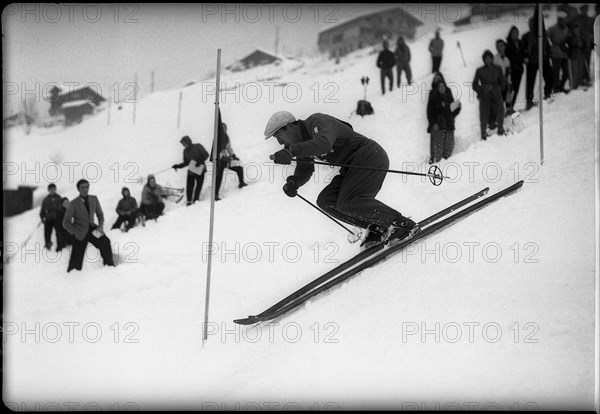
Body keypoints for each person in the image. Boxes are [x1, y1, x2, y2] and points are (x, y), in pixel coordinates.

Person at [263, 110, 418, 249]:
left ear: (289, 126)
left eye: (278, 136)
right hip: (352, 168)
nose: (280, 142)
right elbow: (305, 168)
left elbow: (324, 144)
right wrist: (294, 182)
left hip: (369, 157)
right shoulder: (302, 144)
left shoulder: (316, 121)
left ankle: (401, 224)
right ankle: (377, 227)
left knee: (348, 201)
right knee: (326, 201)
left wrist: (291, 151)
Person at [62, 179, 115, 272]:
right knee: (76, 260)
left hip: (92, 229)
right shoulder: (73, 203)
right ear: (78, 189)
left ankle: (110, 267)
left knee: (105, 242)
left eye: (87, 187)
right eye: (82, 187)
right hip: (80, 232)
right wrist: (74, 232)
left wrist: (100, 227)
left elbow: (100, 215)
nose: (85, 189)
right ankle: (72, 277)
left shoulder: (94, 199)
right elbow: (66, 223)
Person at [473, 50, 507, 140]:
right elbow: (474, 84)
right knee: (484, 113)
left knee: (500, 109)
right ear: (484, 59)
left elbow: (503, 81)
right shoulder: (479, 70)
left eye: (490, 58)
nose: (488, 60)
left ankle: (500, 128)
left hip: (496, 91)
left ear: (492, 58)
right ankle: (483, 133)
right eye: (486, 58)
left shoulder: (498, 68)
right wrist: (483, 89)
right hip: (485, 93)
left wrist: (499, 88)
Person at [522, 16, 553, 110]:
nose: (532, 25)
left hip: (544, 60)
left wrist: (548, 56)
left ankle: (547, 94)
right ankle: (529, 101)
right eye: (530, 23)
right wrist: (525, 58)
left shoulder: (542, 35)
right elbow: (522, 50)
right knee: (530, 82)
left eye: (534, 23)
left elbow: (547, 46)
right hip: (532, 62)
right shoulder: (526, 36)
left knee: (549, 77)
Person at [427, 76, 461, 163]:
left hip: (449, 123)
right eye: (439, 86)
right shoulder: (433, 95)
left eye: (443, 86)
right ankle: (437, 163)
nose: (442, 88)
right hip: (438, 124)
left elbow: (452, 111)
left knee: (449, 145)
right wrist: (433, 123)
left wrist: (457, 108)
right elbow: (430, 112)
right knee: (438, 147)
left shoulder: (448, 94)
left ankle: (446, 162)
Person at [214, 119, 248, 200]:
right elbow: (215, 151)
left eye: (224, 129)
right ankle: (215, 195)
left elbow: (229, 148)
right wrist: (222, 157)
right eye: (222, 129)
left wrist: (233, 155)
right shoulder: (217, 139)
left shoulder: (226, 137)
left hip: (226, 160)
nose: (223, 130)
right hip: (219, 161)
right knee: (218, 178)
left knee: (239, 167)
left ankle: (241, 183)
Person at [172, 135, 209, 205]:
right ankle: (189, 201)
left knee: (199, 185)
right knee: (189, 185)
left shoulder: (198, 146)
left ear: (188, 142)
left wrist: (199, 161)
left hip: (200, 169)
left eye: (184, 143)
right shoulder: (185, 151)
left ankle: (196, 199)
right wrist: (178, 166)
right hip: (191, 171)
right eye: (182, 144)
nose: (183, 145)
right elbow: (186, 163)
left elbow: (206, 155)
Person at [547, 17, 571, 94]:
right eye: (560, 19)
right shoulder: (553, 28)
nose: (562, 21)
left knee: (566, 71)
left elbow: (568, 39)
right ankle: (555, 88)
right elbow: (545, 37)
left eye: (563, 19)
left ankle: (561, 87)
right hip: (555, 53)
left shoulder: (566, 28)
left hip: (564, 53)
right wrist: (550, 47)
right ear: (558, 19)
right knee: (556, 72)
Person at [505, 26, 525, 110]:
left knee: (516, 89)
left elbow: (523, 53)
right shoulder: (507, 45)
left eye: (516, 33)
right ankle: (508, 107)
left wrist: (525, 58)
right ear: (510, 34)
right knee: (510, 89)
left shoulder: (520, 43)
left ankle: (511, 106)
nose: (515, 35)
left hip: (519, 69)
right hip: (511, 70)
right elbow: (509, 57)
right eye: (513, 33)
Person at [39, 183, 63, 250]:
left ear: (55, 189)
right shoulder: (46, 199)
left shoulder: (59, 198)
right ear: (48, 190)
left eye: (53, 189)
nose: (52, 190)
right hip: (48, 218)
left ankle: (59, 246)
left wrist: (60, 217)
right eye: (50, 189)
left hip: (56, 217)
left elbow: (61, 209)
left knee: (58, 232)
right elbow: (43, 209)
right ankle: (47, 245)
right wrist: (42, 217)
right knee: (47, 232)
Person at [567, 23, 585, 90]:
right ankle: (573, 85)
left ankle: (577, 84)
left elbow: (583, 44)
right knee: (574, 71)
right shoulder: (571, 36)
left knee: (580, 70)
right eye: (576, 29)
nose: (577, 30)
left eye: (578, 29)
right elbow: (570, 43)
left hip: (580, 54)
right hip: (574, 55)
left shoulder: (581, 36)